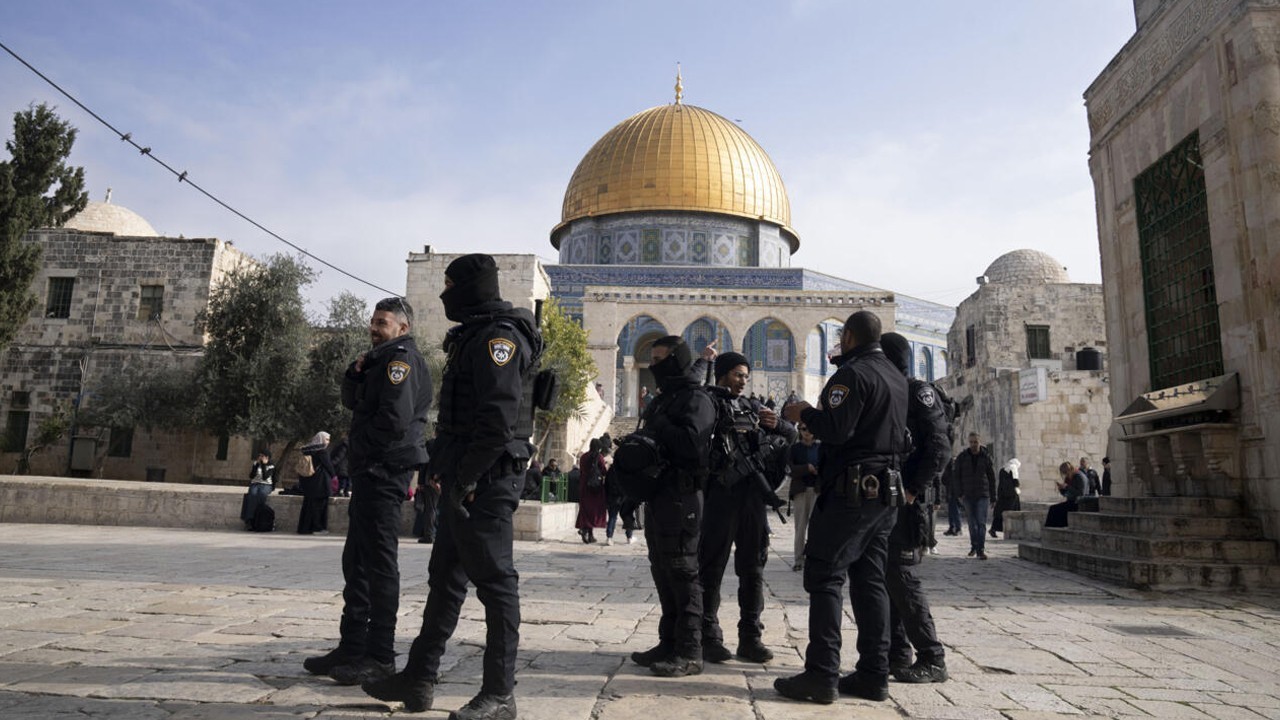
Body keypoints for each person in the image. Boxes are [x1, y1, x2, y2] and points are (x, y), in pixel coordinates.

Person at [362, 254, 540, 720]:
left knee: (497, 585)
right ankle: (418, 679)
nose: (443, 296)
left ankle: (500, 694)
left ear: (471, 288)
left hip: (487, 480)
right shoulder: (476, 334)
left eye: (448, 286)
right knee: (445, 580)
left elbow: (498, 421)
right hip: (465, 478)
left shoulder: (499, 337)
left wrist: (468, 477)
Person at [775, 310, 907, 704]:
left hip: (851, 492)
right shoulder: (897, 378)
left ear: (848, 336)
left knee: (825, 574)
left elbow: (837, 429)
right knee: (870, 581)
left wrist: (805, 414)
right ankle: (873, 673)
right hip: (885, 494)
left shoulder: (852, 375)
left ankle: (821, 674)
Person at [302, 297, 432, 687]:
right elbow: (354, 402)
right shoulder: (378, 360)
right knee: (356, 561)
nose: (375, 328)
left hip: (384, 469)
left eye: (383, 322)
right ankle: (352, 646)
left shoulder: (400, 362)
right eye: (373, 321)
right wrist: (354, 375)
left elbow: (393, 419)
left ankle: (379, 655)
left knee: (378, 564)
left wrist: (355, 451)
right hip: (371, 470)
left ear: (403, 328)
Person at [628, 336, 717, 678]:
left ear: (677, 360)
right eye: (651, 359)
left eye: (661, 359)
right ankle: (669, 642)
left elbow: (692, 447)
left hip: (683, 498)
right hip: (659, 496)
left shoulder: (696, 399)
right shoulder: (667, 400)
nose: (654, 367)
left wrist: (662, 426)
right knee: (662, 569)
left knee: (682, 571)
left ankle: (691, 649)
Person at [700, 350, 797, 665]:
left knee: (753, 569)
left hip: (752, 497)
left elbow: (792, 438)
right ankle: (708, 636)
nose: (743, 381)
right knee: (711, 568)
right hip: (718, 496)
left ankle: (750, 637)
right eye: (737, 374)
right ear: (724, 373)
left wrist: (779, 424)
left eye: (745, 376)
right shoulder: (707, 403)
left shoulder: (753, 407)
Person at [879, 332, 949, 684]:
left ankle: (932, 657)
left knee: (903, 577)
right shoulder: (893, 392)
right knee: (889, 575)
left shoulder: (919, 392)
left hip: (908, 501)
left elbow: (939, 447)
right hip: (892, 499)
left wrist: (913, 490)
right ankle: (898, 654)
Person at [952, 433, 996, 560]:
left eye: (975, 442)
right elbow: (956, 477)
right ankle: (974, 546)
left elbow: (991, 478)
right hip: (968, 495)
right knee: (972, 523)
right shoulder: (962, 457)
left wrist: (993, 497)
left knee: (981, 522)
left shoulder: (986, 457)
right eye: (971, 442)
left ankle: (980, 549)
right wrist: (959, 493)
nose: (973, 444)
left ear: (979, 442)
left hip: (983, 494)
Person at [788, 424, 820, 572]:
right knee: (800, 527)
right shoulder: (794, 449)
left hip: (816, 490)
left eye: (810, 429)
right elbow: (789, 469)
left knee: (815, 527)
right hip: (801, 490)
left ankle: (813, 558)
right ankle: (799, 559)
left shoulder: (820, 448)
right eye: (803, 429)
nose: (807, 432)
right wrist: (806, 468)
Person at [297, 431, 335, 535]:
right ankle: (317, 528)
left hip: (308, 482)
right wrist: (334, 476)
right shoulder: (322, 451)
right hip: (321, 483)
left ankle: (305, 528)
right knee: (320, 506)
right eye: (326, 439)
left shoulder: (306, 450)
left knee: (308, 505)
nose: (327, 442)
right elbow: (329, 466)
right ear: (321, 439)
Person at [576, 439, 608, 543]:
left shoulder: (584, 456)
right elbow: (603, 471)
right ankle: (586, 531)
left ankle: (589, 533)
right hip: (595, 487)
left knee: (585, 509)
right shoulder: (599, 457)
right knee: (594, 510)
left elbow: (581, 469)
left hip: (584, 485)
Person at [1046, 461, 1087, 528]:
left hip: (1079, 503)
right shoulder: (1069, 478)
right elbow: (1066, 494)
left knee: (1055, 510)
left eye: (1065, 473)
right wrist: (1061, 489)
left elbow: (1081, 493)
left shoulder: (1079, 477)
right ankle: (1053, 529)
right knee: (1054, 509)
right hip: (1071, 501)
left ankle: (1054, 528)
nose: (1065, 475)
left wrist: (1067, 487)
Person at [243, 450, 276, 529]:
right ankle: (250, 520)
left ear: (267, 457)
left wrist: (264, 465)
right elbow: (251, 476)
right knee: (252, 495)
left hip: (266, 484)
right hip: (255, 483)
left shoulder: (271, 466)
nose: (260, 457)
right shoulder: (256, 464)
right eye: (259, 456)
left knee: (261, 495)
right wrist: (256, 465)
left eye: (262, 456)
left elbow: (265, 477)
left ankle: (259, 518)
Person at [990, 458, 1021, 537]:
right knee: (1013, 512)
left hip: (1002, 494)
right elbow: (1015, 480)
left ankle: (993, 528)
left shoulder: (1003, 469)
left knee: (1000, 513)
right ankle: (1012, 531)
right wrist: (1017, 487)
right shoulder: (1013, 468)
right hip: (1011, 495)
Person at [413, 465, 441, 544]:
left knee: (430, 510)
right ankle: (430, 534)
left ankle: (429, 535)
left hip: (430, 482)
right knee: (431, 509)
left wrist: (435, 479)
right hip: (431, 481)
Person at [942, 458, 962, 536]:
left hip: (955, 493)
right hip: (950, 493)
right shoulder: (948, 471)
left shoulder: (958, 470)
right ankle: (952, 527)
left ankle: (958, 528)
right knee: (951, 511)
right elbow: (944, 480)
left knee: (955, 511)